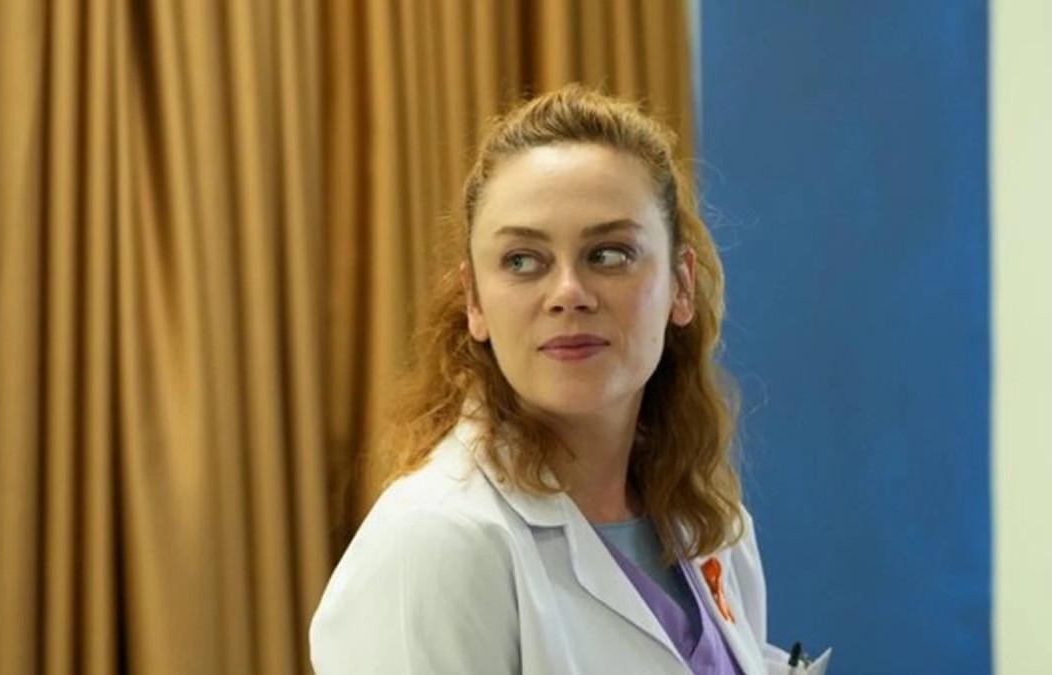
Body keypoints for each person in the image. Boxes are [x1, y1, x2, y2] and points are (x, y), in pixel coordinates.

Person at [310, 85, 794, 674]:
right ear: (475, 301)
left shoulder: (712, 526)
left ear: (681, 285)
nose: (568, 293)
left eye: (609, 254)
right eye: (522, 260)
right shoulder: (434, 542)